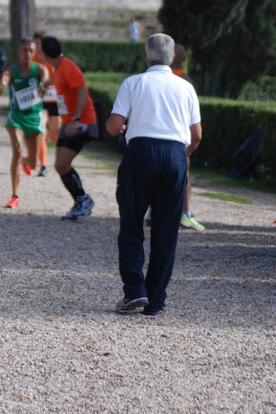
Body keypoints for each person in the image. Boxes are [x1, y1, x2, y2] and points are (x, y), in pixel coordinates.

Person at [106, 33, 202, 315]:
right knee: (166, 230)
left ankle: (135, 291)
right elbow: (196, 135)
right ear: (172, 58)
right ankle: (156, 299)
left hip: (141, 153)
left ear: (145, 57)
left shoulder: (134, 82)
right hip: (174, 154)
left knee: (132, 223)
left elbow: (113, 125)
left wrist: (118, 128)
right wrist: (181, 156)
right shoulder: (186, 88)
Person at [41, 35, 98, 221]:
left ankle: (83, 200)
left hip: (80, 122)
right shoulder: (59, 66)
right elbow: (56, 79)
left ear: (44, 53)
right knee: (59, 165)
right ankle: (81, 200)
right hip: (68, 123)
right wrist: (45, 85)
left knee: (63, 163)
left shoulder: (68, 67)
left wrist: (75, 119)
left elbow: (82, 92)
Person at [0, 37, 47, 209]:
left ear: (35, 52)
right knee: (17, 150)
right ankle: (14, 195)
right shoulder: (12, 70)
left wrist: (45, 85)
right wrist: (2, 85)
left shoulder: (39, 69)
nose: (28, 54)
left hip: (33, 118)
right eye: (25, 50)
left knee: (33, 164)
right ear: (18, 52)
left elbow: (46, 78)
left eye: (31, 50)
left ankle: (26, 162)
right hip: (16, 117)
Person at [171, 44, 205, 231]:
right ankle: (184, 213)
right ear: (184, 61)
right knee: (184, 175)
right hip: (181, 136)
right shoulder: (186, 82)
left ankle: (153, 210)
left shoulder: (158, 79)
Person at [32, 30, 60, 177]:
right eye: (35, 43)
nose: (37, 46)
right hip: (40, 100)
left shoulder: (54, 57)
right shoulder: (32, 58)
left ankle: (45, 142)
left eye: (40, 43)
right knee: (41, 131)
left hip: (55, 100)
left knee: (54, 135)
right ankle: (43, 165)